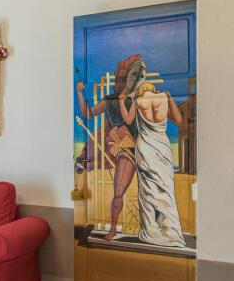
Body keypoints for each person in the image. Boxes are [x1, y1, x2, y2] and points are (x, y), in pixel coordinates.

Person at [76, 54, 145, 240]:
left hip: (145, 148)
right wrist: (80, 93)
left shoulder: (141, 98)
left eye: (140, 75)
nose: (135, 79)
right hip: (125, 149)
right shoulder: (111, 100)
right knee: (118, 191)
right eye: (133, 74)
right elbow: (88, 113)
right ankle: (113, 228)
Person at [118, 80, 186, 248]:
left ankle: (150, 230)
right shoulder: (163, 98)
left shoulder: (138, 101)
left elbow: (128, 120)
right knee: (166, 187)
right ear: (155, 89)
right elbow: (179, 120)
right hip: (162, 147)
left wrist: (121, 101)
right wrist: (170, 98)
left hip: (145, 147)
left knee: (147, 189)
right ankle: (171, 231)